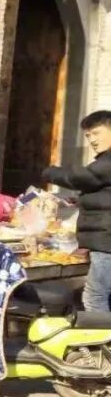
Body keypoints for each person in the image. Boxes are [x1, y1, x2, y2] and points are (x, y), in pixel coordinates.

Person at [44, 111, 111, 310]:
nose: (92, 140)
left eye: (96, 133)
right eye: (88, 136)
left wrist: (48, 171)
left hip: (106, 243)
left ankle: (101, 332)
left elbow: (82, 177)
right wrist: (81, 201)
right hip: (104, 241)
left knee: (94, 298)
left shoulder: (107, 163)